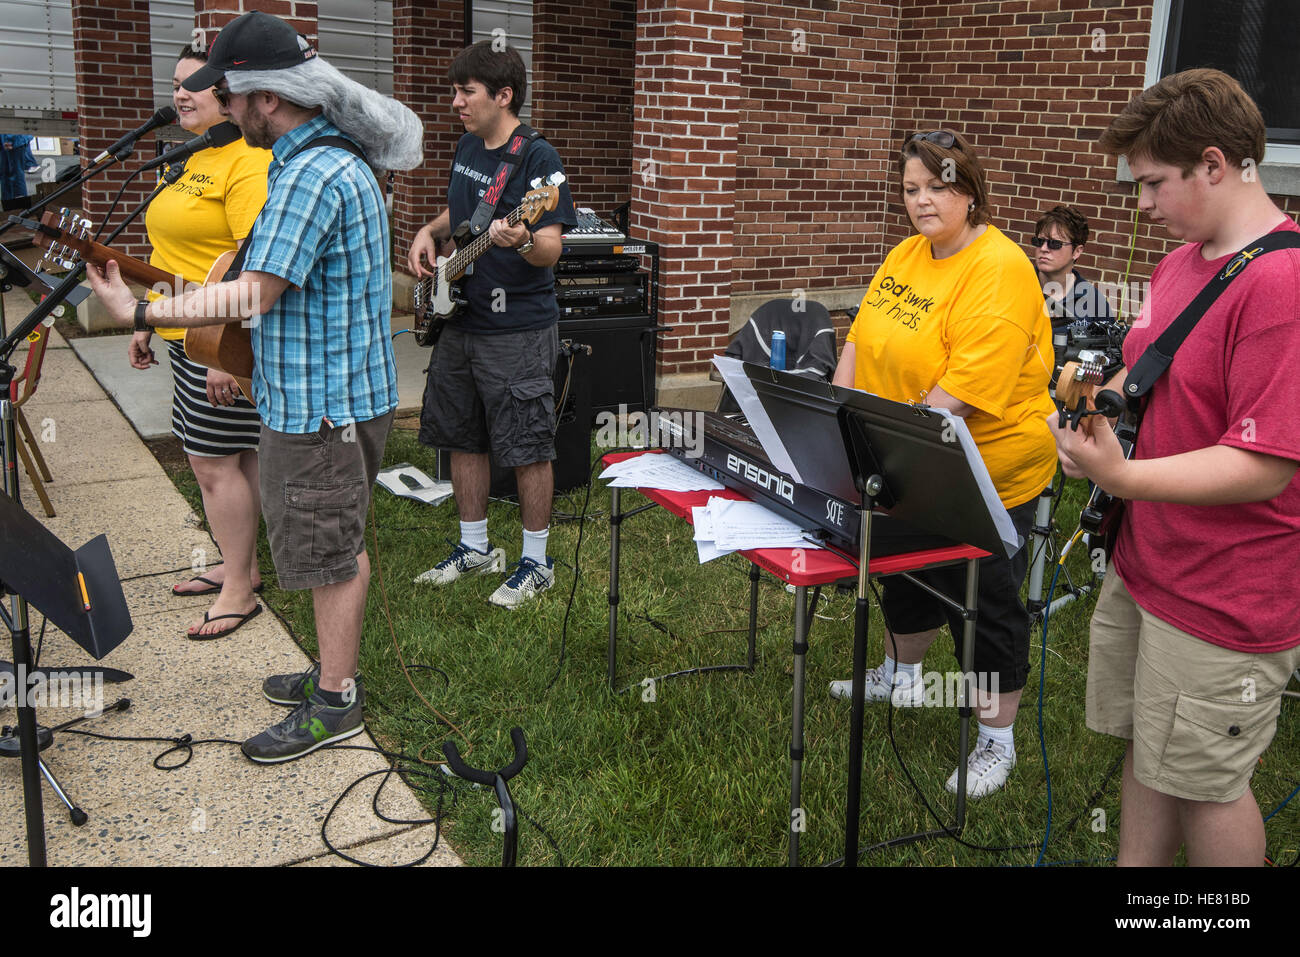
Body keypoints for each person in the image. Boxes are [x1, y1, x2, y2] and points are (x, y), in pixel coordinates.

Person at [85, 10, 423, 763]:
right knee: (335, 540)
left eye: (233, 97)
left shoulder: (307, 174)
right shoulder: (333, 158)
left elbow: (251, 294)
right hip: (340, 398)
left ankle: (336, 699)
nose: (229, 111)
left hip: (321, 407)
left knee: (329, 551)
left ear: (268, 97)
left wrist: (140, 308)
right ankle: (332, 673)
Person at [1048, 68, 1300, 866]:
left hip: (1225, 594)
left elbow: (1264, 464)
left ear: (1216, 164)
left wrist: (1122, 478)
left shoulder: (1282, 284)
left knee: (1208, 785)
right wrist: (1096, 411)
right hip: (1149, 562)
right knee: (1150, 751)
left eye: (1155, 182)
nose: (1143, 204)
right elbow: (1141, 372)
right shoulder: (1179, 263)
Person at [829, 130, 1057, 798]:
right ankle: (902, 675)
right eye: (911, 189)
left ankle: (996, 739)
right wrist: (842, 420)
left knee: (982, 599)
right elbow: (859, 339)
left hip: (989, 463)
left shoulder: (1001, 267)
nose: (922, 201)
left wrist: (889, 453)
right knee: (905, 570)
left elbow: (954, 398)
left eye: (938, 186)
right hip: (905, 448)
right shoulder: (908, 252)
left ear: (970, 191)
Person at [407, 40, 576, 609]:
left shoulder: (538, 162)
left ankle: (536, 561)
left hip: (519, 327)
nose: (456, 101)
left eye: (466, 92)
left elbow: (550, 248)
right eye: (456, 90)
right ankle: (475, 547)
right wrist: (429, 233)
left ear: (503, 96)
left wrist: (524, 237)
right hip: (462, 318)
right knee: (462, 432)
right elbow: (463, 213)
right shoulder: (468, 144)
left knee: (527, 443)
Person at [139, 44, 271, 640]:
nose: (179, 95)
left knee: (214, 461)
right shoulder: (191, 155)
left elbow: (250, 263)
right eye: (175, 84)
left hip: (215, 337)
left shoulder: (246, 161)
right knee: (228, 459)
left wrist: (222, 350)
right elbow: (168, 251)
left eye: (194, 85)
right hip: (181, 331)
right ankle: (239, 564)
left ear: (228, 96)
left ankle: (240, 590)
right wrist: (147, 318)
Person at [1030, 204, 1114, 330]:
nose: (1043, 249)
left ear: (1077, 251)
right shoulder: (1018, 286)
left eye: (1055, 243)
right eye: (1039, 241)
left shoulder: (1095, 303)